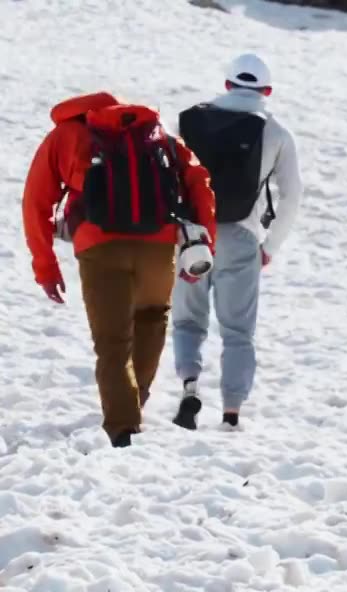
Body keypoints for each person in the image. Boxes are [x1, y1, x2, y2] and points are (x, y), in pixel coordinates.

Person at [22, 92, 217, 448]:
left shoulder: (65, 136)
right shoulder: (151, 131)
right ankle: (134, 401)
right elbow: (199, 182)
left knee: (112, 341)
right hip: (158, 244)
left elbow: (36, 201)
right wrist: (203, 247)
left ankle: (123, 429)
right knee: (153, 316)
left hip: (99, 246)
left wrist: (45, 267)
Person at [171, 52, 302, 431]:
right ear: (268, 90)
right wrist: (269, 248)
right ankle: (231, 413)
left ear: (227, 84)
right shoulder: (276, 131)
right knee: (238, 331)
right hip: (242, 236)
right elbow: (291, 197)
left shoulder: (188, 119)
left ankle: (189, 386)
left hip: (192, 234)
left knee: (187, 320)